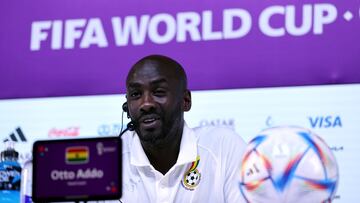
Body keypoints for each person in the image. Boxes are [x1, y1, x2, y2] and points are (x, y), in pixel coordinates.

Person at [120, 55, 247, 202]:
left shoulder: (223, 148)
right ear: (127, 107)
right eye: (136, 94)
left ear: (185, 101)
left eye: (158, 92)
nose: (146, 104)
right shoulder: (110, 160)